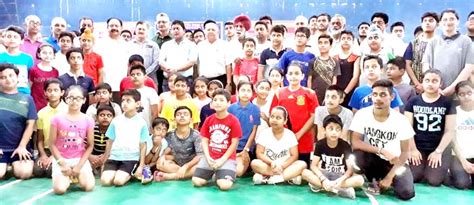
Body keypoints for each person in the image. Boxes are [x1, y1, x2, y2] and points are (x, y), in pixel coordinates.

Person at [350, 79, 415, 200]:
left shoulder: (401, 120)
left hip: (395, 162)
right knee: (356, 157)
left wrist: (390, 177)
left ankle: (385, 180)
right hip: (374, 157)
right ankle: (371, 179)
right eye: (375, 94)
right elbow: (355, 142)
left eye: (383, 94)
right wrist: (382, 150)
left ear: (392, 96)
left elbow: (405, 153)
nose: (378, 98)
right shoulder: (362, 114)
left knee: (407, 193)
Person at [405, 69, 455, 186]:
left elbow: (449, 130)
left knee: (434, 181)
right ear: (422, 82)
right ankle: (424, 167)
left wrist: (438, 152)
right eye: (427, 80)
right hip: (418, 147)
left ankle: (442, 171)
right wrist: (413, 149)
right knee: (414, 177)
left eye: (434, 81)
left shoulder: (447, 103)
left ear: (440, 84)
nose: (430, 84)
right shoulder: (413, 101)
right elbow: (408, 128)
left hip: (438, 147)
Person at [302, 115, 364, 199]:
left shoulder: (345, 146)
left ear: (341, 131)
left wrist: (340, 181)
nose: (334, 132)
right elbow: (313, 166)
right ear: (324, 130)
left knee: (360, 180)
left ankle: (328, 187)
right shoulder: (320, 144)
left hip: (340, 176)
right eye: (331, 129)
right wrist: (323, 179)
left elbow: (349, 170)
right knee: (305, 173)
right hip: (325, 174)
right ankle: (337, 189)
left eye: (338, 129)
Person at [192, 89, 242, 191]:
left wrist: (222, 160)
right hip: (210, 157)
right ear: (212, 103)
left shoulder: (234, 120)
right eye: (215, 100)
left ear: (228, 103)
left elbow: (234, 144)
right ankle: (216, 172)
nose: (218, 102)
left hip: (226, 158)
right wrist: (207, 156)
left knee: (224, 186)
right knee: (197, 181)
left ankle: (220, 174)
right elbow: (205, 140)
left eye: (221, 100)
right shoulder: (209, 119)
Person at [49, 85, 95, 194]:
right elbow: (51, 144)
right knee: (59, 190)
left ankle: (76, 175)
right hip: (62, 159)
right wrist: (62, 163)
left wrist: (79, 166)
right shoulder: (57, 119)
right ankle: (67, 178)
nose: (74, 101)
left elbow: (90, 145)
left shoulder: (88, 120)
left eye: (78, 98)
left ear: (84, 100)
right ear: (66, 99)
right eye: (71, 98)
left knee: (89, 187)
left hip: (79, 159)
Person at [270, 63, 319, 165]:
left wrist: (299, 134)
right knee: (283, 164)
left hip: (303, 138)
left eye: (297, 73)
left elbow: (314, 116)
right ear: (286, 76)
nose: (293, 76)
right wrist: (284, 135)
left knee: (302, 167)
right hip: (283, 138)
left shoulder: (310, 93)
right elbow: (273, 115)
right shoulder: (279, 92)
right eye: (290, 73)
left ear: (302, 76)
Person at [101, 89, 149, 186]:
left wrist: (141, 166)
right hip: (114, 157)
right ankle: (122, 172)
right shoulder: (116, 121)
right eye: (123, 100)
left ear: (137, 104)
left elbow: (143, 145)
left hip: (130, 158)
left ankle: (134, 172)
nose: (124, 103)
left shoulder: (141, 123)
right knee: (105, 181)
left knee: (118, 181)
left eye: (128, 101)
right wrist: (104, 161)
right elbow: (110, 141)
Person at [422, 9, 474, 96]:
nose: (448, 22)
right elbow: (426, 65)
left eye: (452, 19)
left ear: (458, 21)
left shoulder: (466, 41)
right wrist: (434, 86)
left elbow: (469, 67)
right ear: (440, 23)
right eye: (445, 19)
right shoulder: (433, 41)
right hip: (435, 93)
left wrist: (451, 89)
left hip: (459, 93)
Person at [251, 106, 306, 185]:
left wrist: (282, 166)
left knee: (302, 164)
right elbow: (259, 153)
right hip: (269, 165)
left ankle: (271, 178)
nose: (274, 120)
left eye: (278, 118)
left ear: (285, 121)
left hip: (285, 166)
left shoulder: (290, 135)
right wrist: (271, 163)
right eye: (272, 117)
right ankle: (287, 178)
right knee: (254, 163)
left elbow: (294, 156)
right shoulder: (264, 133)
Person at [0, 63, 36, 180]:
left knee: (24, 173)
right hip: (1, 147)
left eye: (11, 75)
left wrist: (22, 147)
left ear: (17, 77)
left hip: (19, 147)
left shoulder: (27, 99)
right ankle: (5, 166)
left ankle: (11, 165)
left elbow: (30, 125)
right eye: (3, 77)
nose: (8, 79)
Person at [155, 107, 202, 181]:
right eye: (179, 114)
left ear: (191, 120)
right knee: (159, 163)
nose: (182, 116)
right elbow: (166, 151)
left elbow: (199, 156)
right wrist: (162, 157)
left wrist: (186, 166)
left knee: (203, 165)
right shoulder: (170, 135)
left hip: (191, 165)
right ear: (174, 120)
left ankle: (172, 176)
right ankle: (185, 174)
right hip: (176, 165)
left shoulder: (196, 135)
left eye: (185, 114)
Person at [33, 78, 67, 178]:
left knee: (50, 172)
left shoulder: (67, 111)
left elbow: (67, 139)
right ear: (45, 93)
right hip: (46, 150)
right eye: (49, 90)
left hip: (63, 149)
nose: (52, 93)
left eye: (56, 90)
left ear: (62, 92)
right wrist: (43, 155)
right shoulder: (41, 113)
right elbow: (40, 140)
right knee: (37, 171)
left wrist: (53, 157)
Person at [228, 81, 261, 176]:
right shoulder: (231, 109)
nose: (245, 93)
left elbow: (253, 131)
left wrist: (245, 149)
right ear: (237, 92)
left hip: (246, 148)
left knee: (238, 172)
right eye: (243, 90)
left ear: (252, 93)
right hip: (232, 147)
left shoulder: (255, 109)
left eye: (248, 90)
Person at [95, 17, 130, 102]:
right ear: (107, 28)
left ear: (121, 28)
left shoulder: (127, 45)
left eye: (116, 26)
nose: (114, 28)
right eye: (111, 26)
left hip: (122, 86)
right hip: (104, 86)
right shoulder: (99, 44)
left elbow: (129, 66)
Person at [404, 12, 439, 94]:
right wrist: (417, 84)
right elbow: (407, 64)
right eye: (425, 21)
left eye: (431, 21)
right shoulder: (414, 43)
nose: (427, 23)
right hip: (416, 87)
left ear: (437, 24)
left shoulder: (441, 42)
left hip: (437, 87)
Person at [159, 20, 197, 91]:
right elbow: (161, 61)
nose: (175, 31)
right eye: (173, 29)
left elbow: (192, 62)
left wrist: (176, 69)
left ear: (184, 31)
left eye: (178, 28)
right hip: (169, 80)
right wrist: (168, 69)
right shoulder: (166, 45)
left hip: (185, 80)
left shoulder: (191, 45)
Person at [449, 81, 474, 189]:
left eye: (469, 93)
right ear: (457, 96)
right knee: (462, 184)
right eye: (462, 94)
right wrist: (464, 162)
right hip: (459, 157)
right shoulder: (454, 112)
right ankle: (448, 174)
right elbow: (452, 140)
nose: (466, 97)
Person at [197, 20, 232, 89]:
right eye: (208, 29)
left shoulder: (224, 45)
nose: (210, 31)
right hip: (204, 80)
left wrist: (229, 83)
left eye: (213, 29)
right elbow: (198, 64)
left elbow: (228, 65)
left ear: (218, 32)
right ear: (204, 32)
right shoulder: (200, 45)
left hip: (221, 78)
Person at [58, 48, 95, 113]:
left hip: (84, 114)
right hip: (65, 114)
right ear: (68, 61)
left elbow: (91, 102)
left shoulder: (89, 80)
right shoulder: (61, 79)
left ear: (83, 60)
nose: (76, 61)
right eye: (72, 58)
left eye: (78, 58)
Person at [0, 26, 34, 94]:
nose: (12, 39)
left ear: (22, 41)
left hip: (23, 93)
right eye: (9, 36)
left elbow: (31, 78)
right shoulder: (1, 57)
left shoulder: (28, 58)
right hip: (3, 93)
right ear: (4, 39)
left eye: (15, 37)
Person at [307, 34, 341, 102]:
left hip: (328, 95)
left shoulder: (335, 61)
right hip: (315, 94)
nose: (322, 45)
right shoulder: (312, 61)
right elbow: (309, 79)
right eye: (320, 43)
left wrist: (331, 94)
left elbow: (334, 79)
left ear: (330, 46)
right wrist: (310, 93)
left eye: (325, 43)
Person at [29, 44, 59, 111]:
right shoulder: (33, 70)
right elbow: (29, 86)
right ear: (39, 54)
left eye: (50, 53)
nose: (47, 55)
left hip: (50, 104)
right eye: (44, 53)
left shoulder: (55, 71)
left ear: (54, 55)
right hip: (36, 103)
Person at [334, 30, 360, 108]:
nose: (346, 40)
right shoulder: (334, 57)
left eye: (349, 39)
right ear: (339, 41)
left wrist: (345, 93)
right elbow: (332, 77)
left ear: (353, 42)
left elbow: (355, 77)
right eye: (343, 38)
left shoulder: (356, 57)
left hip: (349, 92)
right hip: (335, 92)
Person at [130, 21, 160, 87]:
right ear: (135, 30)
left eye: (143, 29)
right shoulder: (129, 45)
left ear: (147, 31)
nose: (141, 31)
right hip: (133, 79)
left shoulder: (153, 45)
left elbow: (157, 62)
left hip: (150, 78)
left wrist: (144, 73)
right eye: (139, 29)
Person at [129, 64, 160, 128]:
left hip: (147, 128)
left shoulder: (151, 92)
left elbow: (155, 113)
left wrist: (153, 128)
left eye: (138, 74)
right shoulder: (128, 93)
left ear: (145, 77)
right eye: (133, 75)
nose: (135, 76)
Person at [89, 105, 115, 175]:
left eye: (109, 116)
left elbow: (115, 148)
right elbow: (85, 146)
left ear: (113, 118)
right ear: (96, 118)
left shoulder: (115, 130)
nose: (105, 117)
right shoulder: (92, 129)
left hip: (109, 156)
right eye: (102, 115)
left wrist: (104, 157)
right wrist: (90, 156)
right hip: (93, 156)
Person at [152, 12, 173, 95]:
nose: (161, 24)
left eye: (164, 22)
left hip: (169, 73)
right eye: (159, 22)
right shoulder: (152, 40)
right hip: (155, 73)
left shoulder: (174, 39)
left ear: (169, 24)